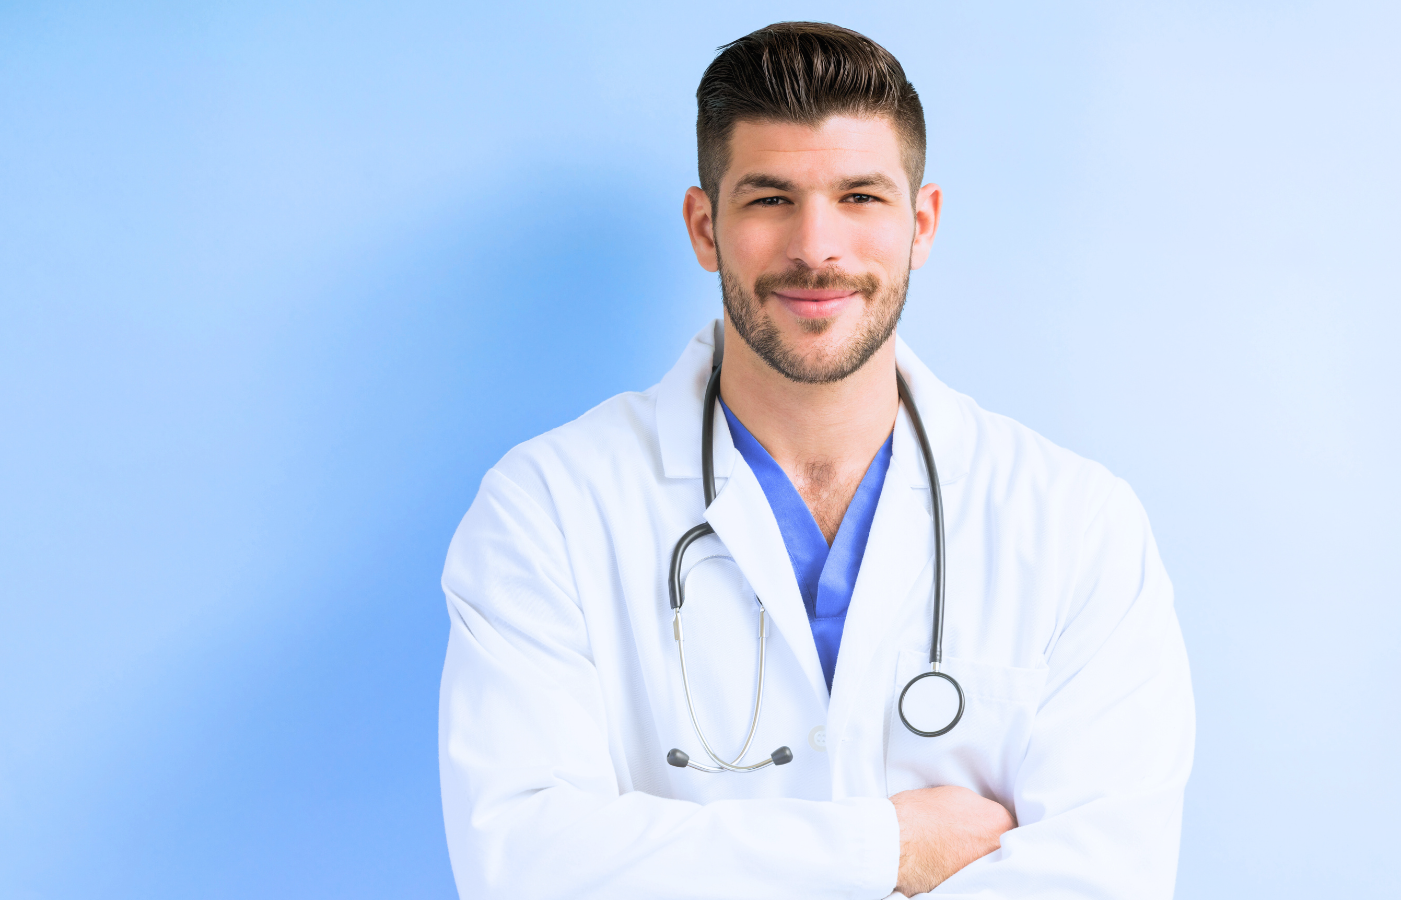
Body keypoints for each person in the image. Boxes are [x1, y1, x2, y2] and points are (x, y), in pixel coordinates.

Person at [438, 21, 1193, 899]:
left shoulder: (1072, 522)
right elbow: (525, 864)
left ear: (922, 223)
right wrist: (888, 849)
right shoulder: (550, 509)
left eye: (860, 197)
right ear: (704, 226)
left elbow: (1108, 875)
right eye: (769, 199)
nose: (817, 248)